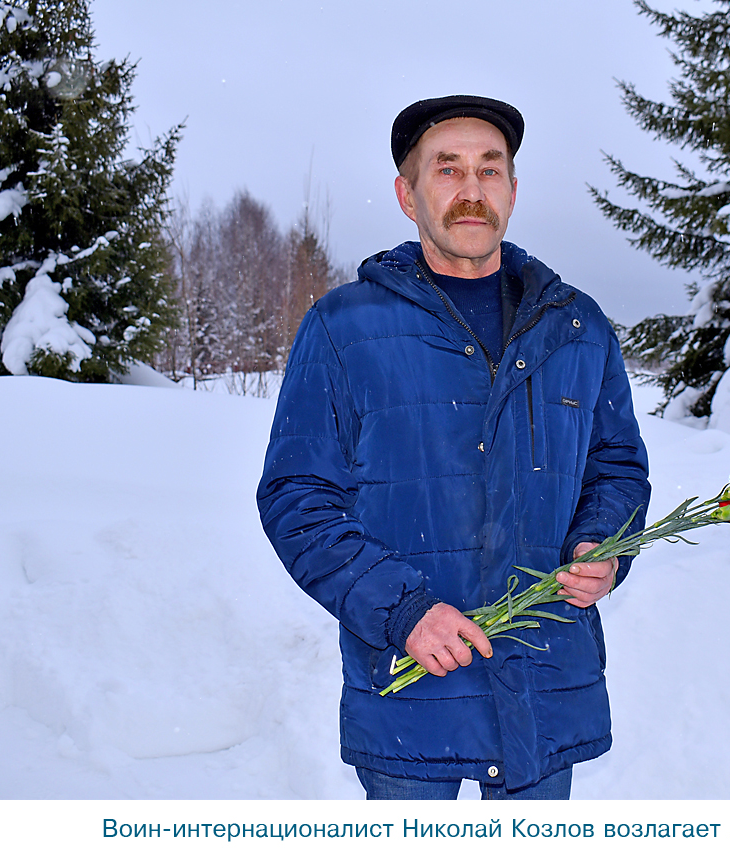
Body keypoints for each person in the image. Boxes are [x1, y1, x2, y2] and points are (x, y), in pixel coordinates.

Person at [257, 95, 651, 800]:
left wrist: (603, 544)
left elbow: (615, 467)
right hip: (413, 704)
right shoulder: (345, 327)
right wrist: (401, 610)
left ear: (512, 190)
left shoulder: (577, 328)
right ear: (407, 195)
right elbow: (298, 497)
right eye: (447, 169)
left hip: (543, 688)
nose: (472, 189)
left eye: (489, 169)